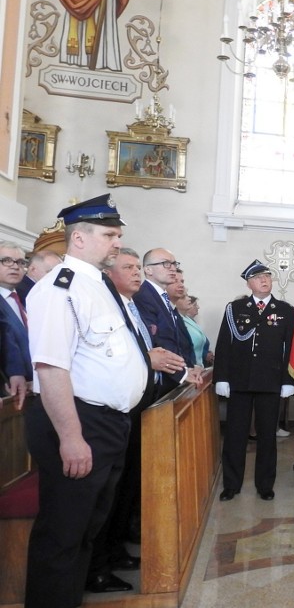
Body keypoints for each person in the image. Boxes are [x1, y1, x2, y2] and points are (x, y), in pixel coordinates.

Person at [24, 194, 150, 606]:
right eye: (110, 235)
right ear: (78, 238)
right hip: (80, 423)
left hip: (109, 424)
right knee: (62, 534)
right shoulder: (59, 289)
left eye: (118, 235)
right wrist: (72, 437)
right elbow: (51, 368)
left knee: (87, 530)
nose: (117, 242)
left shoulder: (97, 286)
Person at [89, 248, 184, 590]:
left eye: (136, 268)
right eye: (128, 267)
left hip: (136, 404)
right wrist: (149, 358)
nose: (136, 274)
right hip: (111, 410)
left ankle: (112, 552)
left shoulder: (130, 306)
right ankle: (97, 566)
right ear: (109, 274)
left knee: (123, 489)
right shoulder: (112, 305)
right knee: (108, 495)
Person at [214, 260, 294, 501]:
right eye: (258, 277)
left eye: (267, 276)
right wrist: (222, 377)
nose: (264, 280)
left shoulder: (285, 310)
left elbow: (290, 348)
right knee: (235, 435)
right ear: (249, 283)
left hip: (270, 382)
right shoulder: (235, 308)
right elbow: (224, 344)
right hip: (240, 382)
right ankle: (231, 484)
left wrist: (287, 380)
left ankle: (265, 485)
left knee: (267, 436)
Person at [134, 247, 197, 394]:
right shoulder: (144, 296)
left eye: (174, 264)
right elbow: (156, 341)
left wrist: (187, 369)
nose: (173, 269)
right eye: (166, 264)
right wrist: (182, 374)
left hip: (171, 377)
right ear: (148, 270)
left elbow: (175, 340)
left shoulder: (162, 297)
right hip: (159, 380)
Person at [0, 242, 31, 409]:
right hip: (8, 395)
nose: (15, 266)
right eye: (6, 260)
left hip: (31, 392)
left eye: (20, 262)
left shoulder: (26, 300)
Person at [177, 294, 213, 367]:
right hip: (188, 366)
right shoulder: (177, 320)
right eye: (195, 305)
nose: (198, 307)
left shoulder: (188, 319)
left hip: (198, 365)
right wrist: (205, 354)